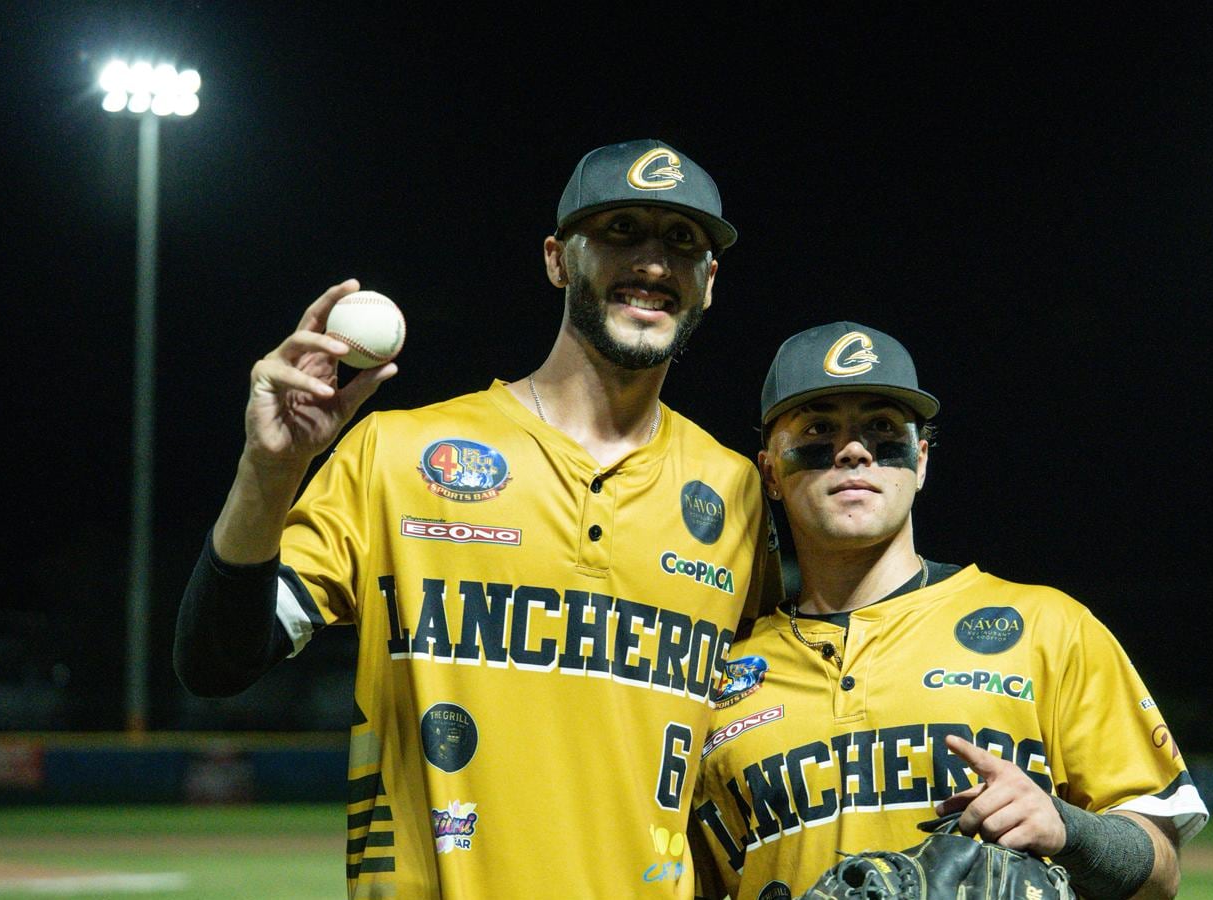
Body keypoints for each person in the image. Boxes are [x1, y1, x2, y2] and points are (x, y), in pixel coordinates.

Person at [174, 139, 783, 899]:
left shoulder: (734, 492)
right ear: (558, 260)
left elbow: (753, 735)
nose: (654, 263)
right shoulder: (398, 454)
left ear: (709, 282)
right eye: (621, 231)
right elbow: (216, 663)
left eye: (682, 241)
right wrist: (270, 470)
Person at [690, 322, 1209, 900]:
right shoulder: (716, 674)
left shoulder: (1049, 628)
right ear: (770, 472)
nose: (854, 450)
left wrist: (1071, 829)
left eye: (882, 427)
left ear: (921, 461)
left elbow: (1161, 869)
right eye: (818, 429)